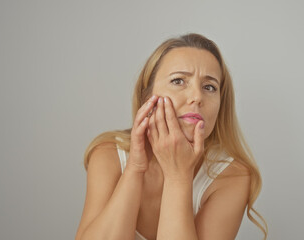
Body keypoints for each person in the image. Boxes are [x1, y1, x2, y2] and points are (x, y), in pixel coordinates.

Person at [75, 33, 268, 240]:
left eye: (209, 87)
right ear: (147, 96)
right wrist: (135, 168)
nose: (196, 97)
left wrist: (178, 177)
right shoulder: (108, 155)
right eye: (178, 81)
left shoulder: (233, 176)